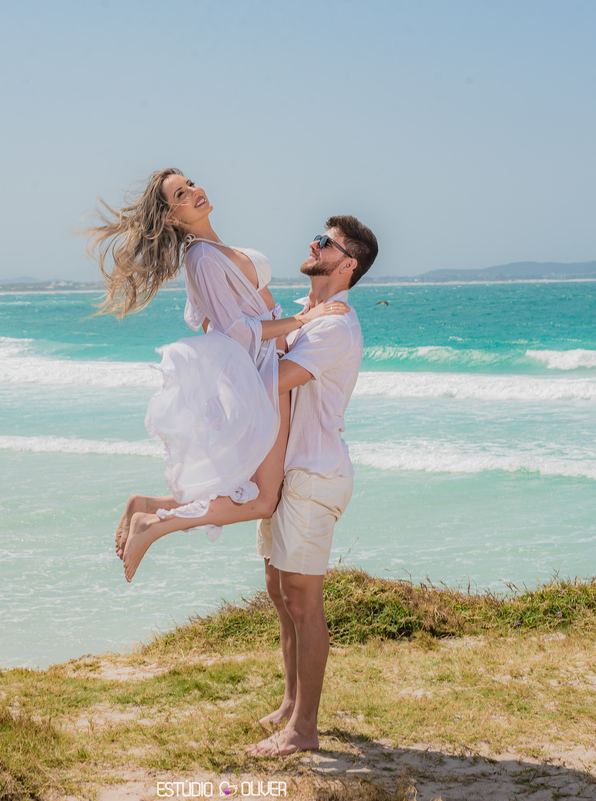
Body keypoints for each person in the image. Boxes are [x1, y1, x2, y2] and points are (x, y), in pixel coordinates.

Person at [86, 168, 351, 581]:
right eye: (180, 194)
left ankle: (149, 507)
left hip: (261, 365)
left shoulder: (213, 249)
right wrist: (303, 320)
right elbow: (237, 332)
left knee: (246, 490)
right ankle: (153, 526)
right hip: (262, 371)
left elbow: (205, 317)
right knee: (263, 500)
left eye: (189, 184)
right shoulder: (201, 257)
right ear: (171, 217)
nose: (194, 191)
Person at [247, 215, 377, 757]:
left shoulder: (332, 327)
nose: (313, 244)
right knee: (280, 594)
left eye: (326, 243)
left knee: (303, 601)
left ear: (348, 264)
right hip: (287, 471)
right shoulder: (307, 317)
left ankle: (304, 729)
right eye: (317, 237)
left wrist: (252, 343)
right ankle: (290, 703)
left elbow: (271, 380)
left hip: (313, 474)